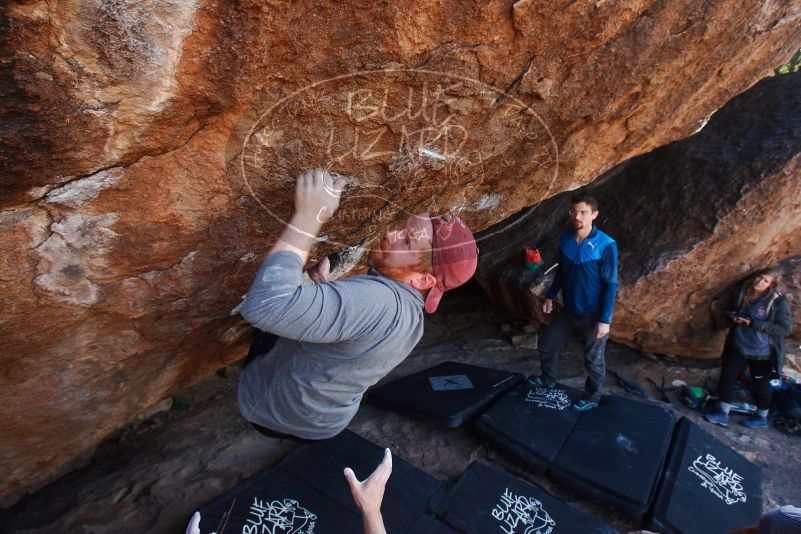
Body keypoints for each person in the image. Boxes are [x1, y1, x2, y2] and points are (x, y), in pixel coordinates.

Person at [234, 169, 478, 441]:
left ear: (423, 279)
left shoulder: (378, 302)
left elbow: (266, 306)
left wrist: (308, 216)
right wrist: (326, 295)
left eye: (407, 240)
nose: (392, 233)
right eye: (403, 229)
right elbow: (356, 338)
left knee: (267, 325)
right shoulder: (413, 319)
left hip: (273, 414)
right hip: (324, 422)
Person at [527, 193, 618, 411]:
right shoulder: (566, 239)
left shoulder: (606, 245)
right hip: (570, 311)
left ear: (594, 215)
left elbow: (611, 284)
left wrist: (604, 320)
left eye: (583, 212)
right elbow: (562, 272)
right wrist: (550, 295)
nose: (577, 216)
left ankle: (593, 398)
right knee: (547, 344)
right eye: (574, 211)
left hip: (594, 314)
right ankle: (548, 380)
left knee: (594, 360)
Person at [706, 268, 793, 429]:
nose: (760, 282)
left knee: (760, 384)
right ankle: (722, 412)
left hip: (762, 353)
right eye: (759, 277)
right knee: (728, 375)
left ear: (771, 284)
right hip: (739, 345)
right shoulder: (743, 291)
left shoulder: (777, 302)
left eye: (765, 281)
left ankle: (762, 416)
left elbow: (785, 329)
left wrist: (753, 323)